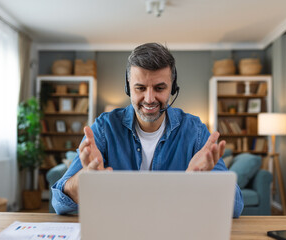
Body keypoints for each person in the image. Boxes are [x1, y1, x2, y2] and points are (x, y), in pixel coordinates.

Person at [51, 43, 244, 217]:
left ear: (173, 88)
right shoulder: (104, 128)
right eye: (140, 88)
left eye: (159, 88)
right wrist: (85, 180)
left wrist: (199, 182)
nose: (149, 98)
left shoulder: (196, 131)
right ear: (128, 88)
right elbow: (59, 204)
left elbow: (236, 207)